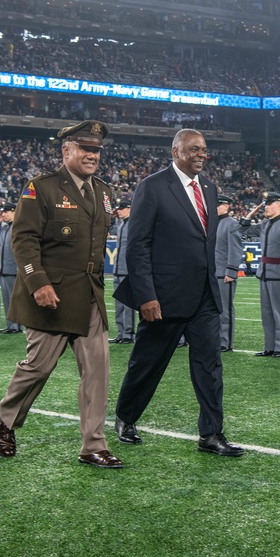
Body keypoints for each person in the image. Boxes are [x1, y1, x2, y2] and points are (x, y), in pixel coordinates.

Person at [0, 120, 123, 468]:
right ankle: (5, 418)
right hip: (50, 296)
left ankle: (93, 444)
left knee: (97, 372)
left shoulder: (105, 192)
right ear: (66, 150)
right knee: (38, 367)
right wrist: (39, 283)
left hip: (90, 296)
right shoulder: (42, 187)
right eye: (85, 149)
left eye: (96, 150)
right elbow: (23, 239)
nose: (92, 155)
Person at [112, 129, 242, 458]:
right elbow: (137, 246)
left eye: (204, 149)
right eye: (193, 149)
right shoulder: (152, 186)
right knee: (147, 363)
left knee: (210, 366)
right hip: (163, 296)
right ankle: (126, 417)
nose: (201, 154)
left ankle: (211, 433)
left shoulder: (210, 189)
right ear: (176, 151)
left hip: (204, 296)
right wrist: (146, 296)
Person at [240, 192, 280, 357]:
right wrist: (251, 213)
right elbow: (242, 229)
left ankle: (279, 348)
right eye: (265, 204)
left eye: (270, 204)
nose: (266, 207)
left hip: (279, 276)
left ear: (279, 206)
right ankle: (269, 347)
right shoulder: (264, 224)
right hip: (265, 274)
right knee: (266, 313)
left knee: (278, 313)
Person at [215, 194, 243, 351]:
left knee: (225, 309)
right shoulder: (212, 223)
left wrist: (231, 271)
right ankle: (216, 339)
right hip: (212, 273)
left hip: (224, 273)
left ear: (226, 206)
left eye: (218, 205)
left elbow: (235, 249)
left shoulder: (232, 224)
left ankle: (226, 342)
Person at [109, 198, 135, 344]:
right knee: (119, 303)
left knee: (127, 304)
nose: (119, 211)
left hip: (126, 270)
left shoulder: (134, 225)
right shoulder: (120, 225)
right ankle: (121, 332)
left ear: (130, 209)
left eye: (122, 208)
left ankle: (129, 333)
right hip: (117, 269)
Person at [0, 202, 23, 334]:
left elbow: (20, 250)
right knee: (6, 299)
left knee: (14, 300)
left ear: (13, 212)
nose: (3, 214)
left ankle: (16, 326)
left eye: (6, 212)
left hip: (13, 270)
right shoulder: (5, 228)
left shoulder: (18, 227)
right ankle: (10, 324)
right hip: (4, 269)